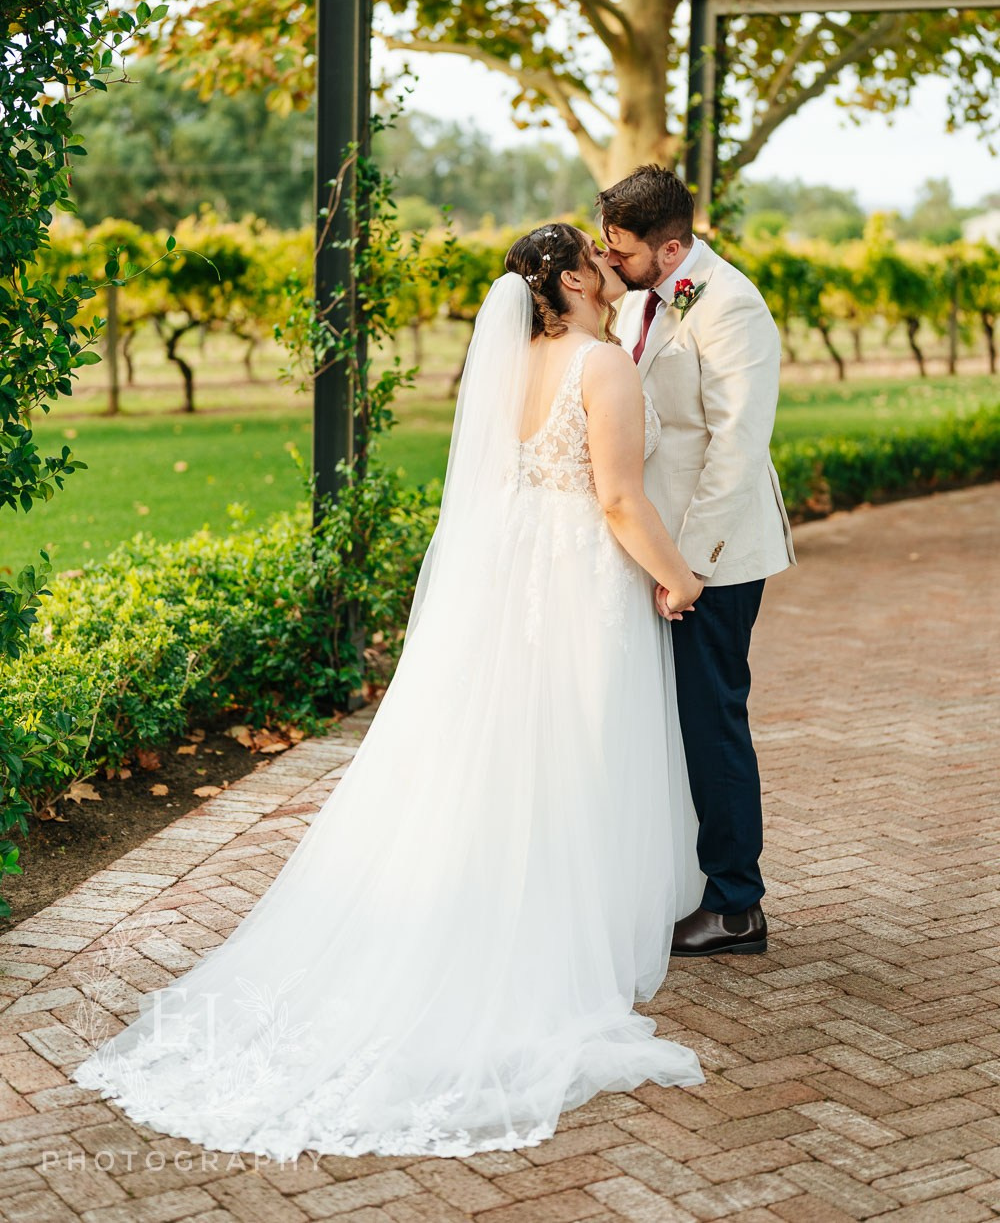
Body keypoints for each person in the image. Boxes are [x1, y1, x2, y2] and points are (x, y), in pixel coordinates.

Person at [72, 223, 707, 1162]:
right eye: (595, 257)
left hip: (513, 573)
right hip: (578, 579)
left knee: (505, 747)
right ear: (573, 281)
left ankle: (498, 900)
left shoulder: (515, 363)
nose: (610, 267)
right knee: (575, 743)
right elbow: (616, 499)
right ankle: (553, 936)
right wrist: (679, 577)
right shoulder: (601, 364)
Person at [600, 166, 796, 958]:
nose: (611, 260)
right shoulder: (642, 298)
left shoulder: (733, 307)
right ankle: (678, 882)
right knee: (670, 721)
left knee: (712, 723)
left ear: (672, 247)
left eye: (622, 248)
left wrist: (692, 568)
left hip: (714, 557)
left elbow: (736, 449)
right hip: (657, 550)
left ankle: (736, 905)